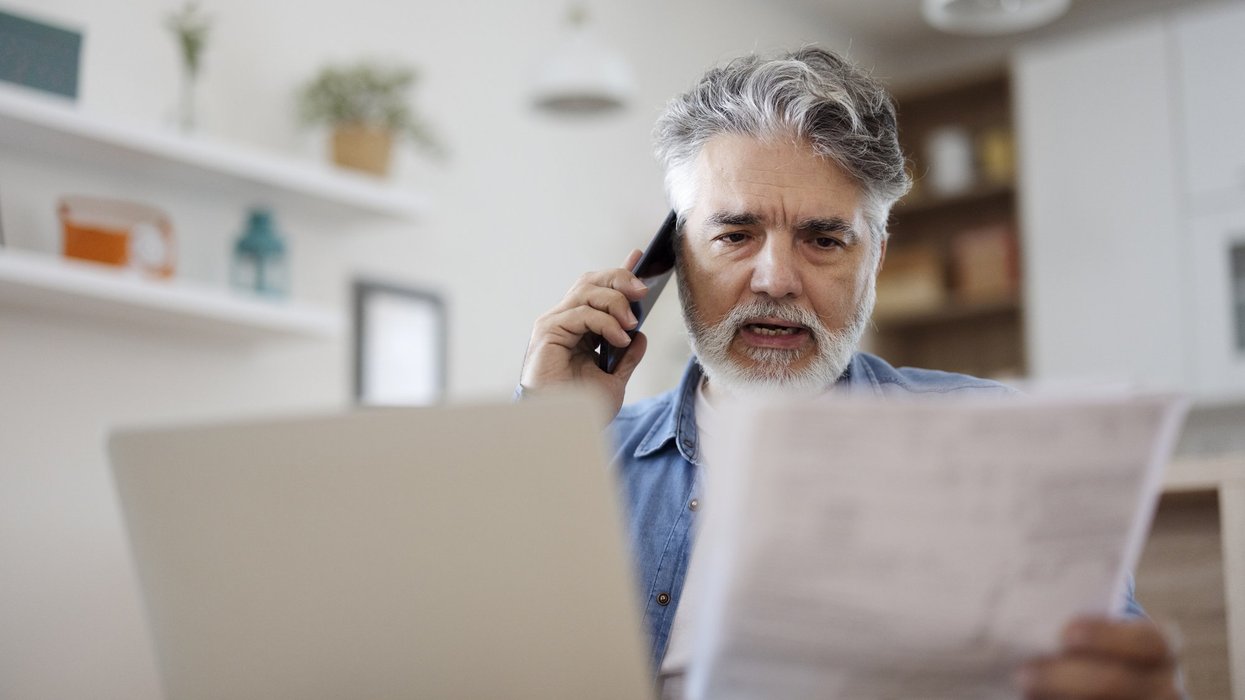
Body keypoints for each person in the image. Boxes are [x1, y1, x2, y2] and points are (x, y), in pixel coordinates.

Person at [519, 47, 1183, 700]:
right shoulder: (583, 455)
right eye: (733, 236)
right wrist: (550, 433)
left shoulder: (993, 439)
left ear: (876, 258)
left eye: (823, 239)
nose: (775, 279)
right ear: (674, 260)